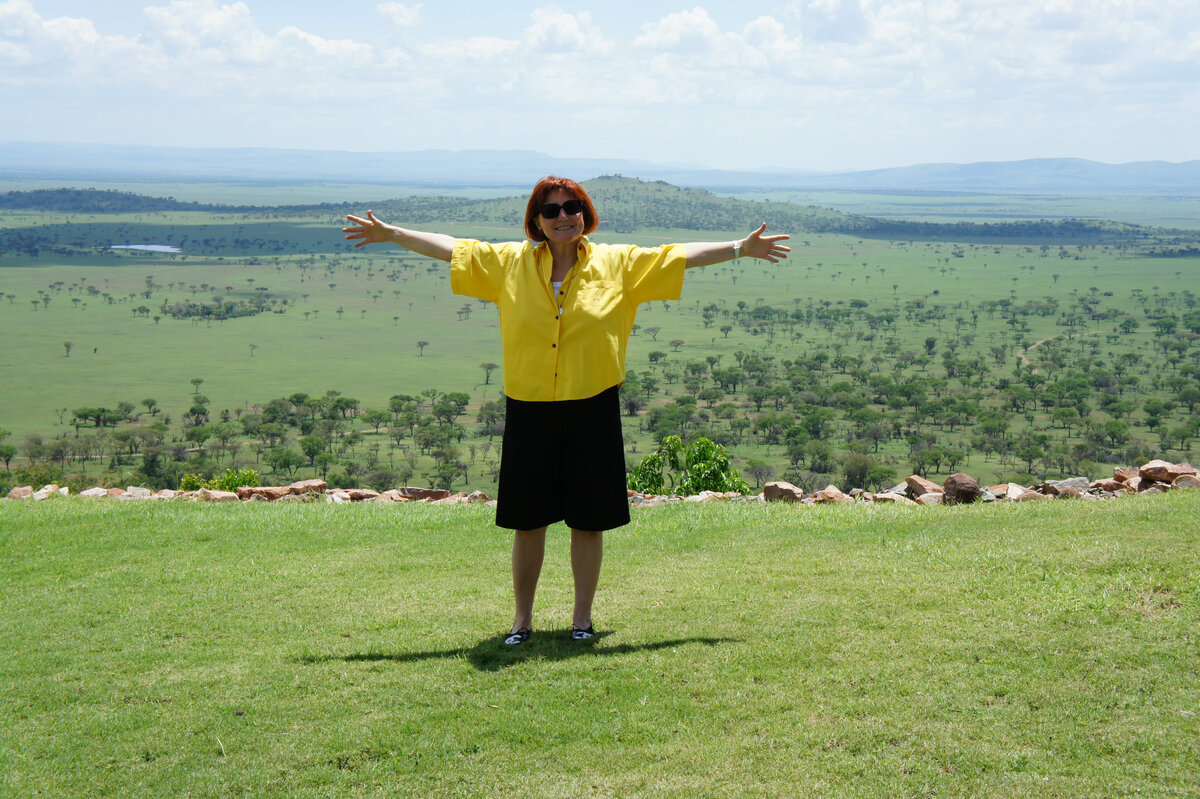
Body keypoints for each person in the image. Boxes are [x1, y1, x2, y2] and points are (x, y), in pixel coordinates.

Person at [343, 176, 790, 645]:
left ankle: (582, 620)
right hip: (530, 407)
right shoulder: (510, 264)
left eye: (572, 207)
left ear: (585, 213)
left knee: (589, 519)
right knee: (528, 520)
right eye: (552, 210)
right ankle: (521, 622)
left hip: (592, 405)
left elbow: (678, 255)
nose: (563, 217)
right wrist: (392, 233)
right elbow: (452, 248)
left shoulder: (618, 264)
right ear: (536, 220)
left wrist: (741, 247)